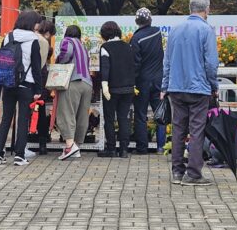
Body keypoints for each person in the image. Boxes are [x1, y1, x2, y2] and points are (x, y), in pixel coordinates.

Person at [161, 0, 218, 186]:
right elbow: (211, 63)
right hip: (198, 88)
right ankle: (193, 173)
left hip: (176, 87)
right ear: (207, 9)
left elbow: (166, 62)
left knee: (178, 129)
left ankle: (177, 171)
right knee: (196, 130)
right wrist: (214, 85)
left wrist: (165, 85)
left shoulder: (175, 30)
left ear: (189, 8)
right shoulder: (206, 30)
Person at [0, 11, 43, 166]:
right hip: (26, 84)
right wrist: (38, 90)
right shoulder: (34, 40)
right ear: (31, 23)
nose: (38, 26)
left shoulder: (8, 37)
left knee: (6, 119)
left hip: (8, 83)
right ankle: (19, 155)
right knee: (23, 120)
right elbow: (36, 67)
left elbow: (2, 60)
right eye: (37, 23)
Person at [98, 21, 135, 158]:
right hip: (128, 88)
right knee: (123, 118)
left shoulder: (105, 47)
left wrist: (104, 86)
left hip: (112, 89)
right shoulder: (128, 46)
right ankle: (124, 150)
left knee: (109, 118)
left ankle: (111, 148)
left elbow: (105, 69)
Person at [130, 8, 165, 154]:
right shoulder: (157, 33)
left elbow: (135, 63)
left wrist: (132, 80)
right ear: (150, 19)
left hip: (142, 82)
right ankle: (161, 146)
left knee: (140, 115)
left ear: (137, 21)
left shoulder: (136, 39)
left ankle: (142, 148)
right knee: (161, 114)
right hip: (158, 79)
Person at [55, 25, 93, 160]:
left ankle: (70, 146)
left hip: (73, 81)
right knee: (82, 116)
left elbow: (66, 54)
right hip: (87, 83)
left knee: (67, 112)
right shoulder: (83, 46)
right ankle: (76, 147)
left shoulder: (67, 41)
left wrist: (59, 60)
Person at [34, 19, 57, 155]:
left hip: (29, 79)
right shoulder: (44, 42)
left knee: (28, 111)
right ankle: (42, 143)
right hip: (41, 78)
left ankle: (25, 141)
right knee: (41, 110)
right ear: (48, 32)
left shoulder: (32, 38)